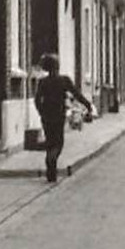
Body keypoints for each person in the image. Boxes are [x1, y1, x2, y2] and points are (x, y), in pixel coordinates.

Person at [34, 53, 91, 183]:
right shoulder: (64, 80)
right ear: (57, 67)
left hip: (46, 116)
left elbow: (37, 99)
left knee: (50, 141)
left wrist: (41, 111)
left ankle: (50, 172)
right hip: (58, 115)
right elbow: (76, 94)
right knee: (58, 142)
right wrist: (87, 105)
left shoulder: (43, 82)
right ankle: (52, 160)